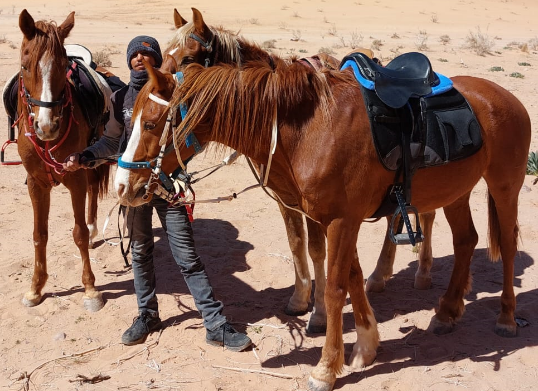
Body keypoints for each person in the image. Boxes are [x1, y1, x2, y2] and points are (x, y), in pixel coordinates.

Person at [63, 36, 252, 351]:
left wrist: (177, 167)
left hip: (168, 184)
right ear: (129, 61)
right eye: (134, 53)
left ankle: (215, 325)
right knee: (140, 253)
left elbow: (191, 140)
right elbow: (112, 141)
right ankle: (147, 314)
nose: (140, 57)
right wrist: (85, 157)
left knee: (187, 256)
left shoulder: (173, 95)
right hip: (135, 185)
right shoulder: (120, 97)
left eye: (147, 53)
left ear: (156, 59)